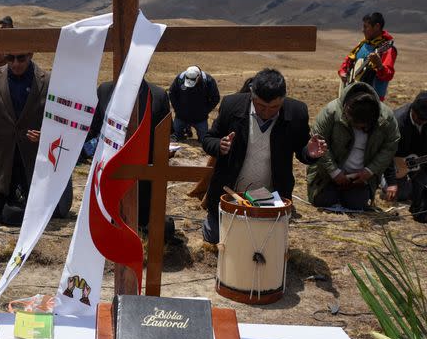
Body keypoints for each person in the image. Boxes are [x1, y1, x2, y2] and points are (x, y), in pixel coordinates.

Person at [201, 68, 327, 243]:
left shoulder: (296, 112)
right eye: (261, 106)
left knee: (264, 243)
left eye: (274, 107)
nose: (267, 112)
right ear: (252, 95)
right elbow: (208, 139)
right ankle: (212, 223)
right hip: (230, 191)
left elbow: (302, 151)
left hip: (271, 195)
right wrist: (219, 145)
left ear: (283, 99)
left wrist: (310, 153)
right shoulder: (232, 105)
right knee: (218, 238)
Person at [0, 52, 50, 222]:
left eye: (21, 58)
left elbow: (55, 119)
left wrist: (45, 135)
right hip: (2, 164)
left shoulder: (48, 80)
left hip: (32, 163)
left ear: (30, 54)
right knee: (2, 214)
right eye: (10, 58)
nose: (15, 64)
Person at [89, 78, 171, 229]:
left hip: (145, 174)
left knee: (144, 222)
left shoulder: (158, 95)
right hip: (110, 170)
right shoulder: (105, 90)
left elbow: (165, 134)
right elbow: (94, 126)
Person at [307, 82, 400, 210]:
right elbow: (318, 142)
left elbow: (390, 146)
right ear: (346, 110)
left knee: (356, 204)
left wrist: (369, 171)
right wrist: (334, 172)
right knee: (324, 200)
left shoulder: (386, 118)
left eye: (362, 127)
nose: (358, 129)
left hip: (361, 178)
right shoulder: (331, 111)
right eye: (354, 124)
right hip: (328, 175)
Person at [382, 91, 427, 202]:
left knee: (426, 193)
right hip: (393, 166)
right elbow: (386, 153)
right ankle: (381, 180)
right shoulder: (397, 122)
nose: (424, 122)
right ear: (413, 110)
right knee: (400, 194)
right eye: (421, 119)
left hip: (420, 165)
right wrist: (391, 182)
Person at [337, 12, 397, 101]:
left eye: (366, 27)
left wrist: (379, 65)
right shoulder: (362, 45)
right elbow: (347, 62)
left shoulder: (387, 49)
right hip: (353, 95)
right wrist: (343, 73)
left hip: (372, 100)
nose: (363, 30)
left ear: (377, 27)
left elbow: (388, 75)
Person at [169, 65, 220, 142]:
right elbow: (172, 93)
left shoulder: (208, 81)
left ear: (198, 76)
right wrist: (177, 109)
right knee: (173, 138)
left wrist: (205, 111)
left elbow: (215, 98)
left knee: (204, 141)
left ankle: (188, 129)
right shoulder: (180, 78)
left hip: (200, 119)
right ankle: (185, 130)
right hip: (181, 117)